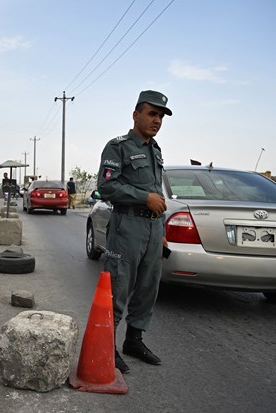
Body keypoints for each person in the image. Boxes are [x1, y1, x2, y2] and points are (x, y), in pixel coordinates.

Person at [96, 90, 171, 374]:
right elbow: (106, 187)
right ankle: (107, 344)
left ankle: (134, 340)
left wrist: (160, 228)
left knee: (148, 287)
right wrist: (143, 198)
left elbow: (156, 191)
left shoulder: (156, 150)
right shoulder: (118, 147)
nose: (157, 121)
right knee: (118, 287)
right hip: (127, 226)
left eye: (161, 116)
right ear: (136, 114)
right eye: (152, 114)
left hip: (152, 228)